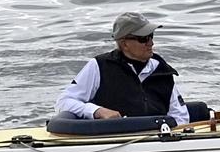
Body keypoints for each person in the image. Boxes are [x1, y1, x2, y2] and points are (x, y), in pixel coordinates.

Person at [55, 12, 191, 125]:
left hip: (157, 143)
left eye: (151, 36)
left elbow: (181, 117)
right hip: (112, 144)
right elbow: (64, 102)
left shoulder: (162, 70)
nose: (151, 43)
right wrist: (97, 111)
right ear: (124, 43)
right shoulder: (99, 66)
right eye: (143, 39)